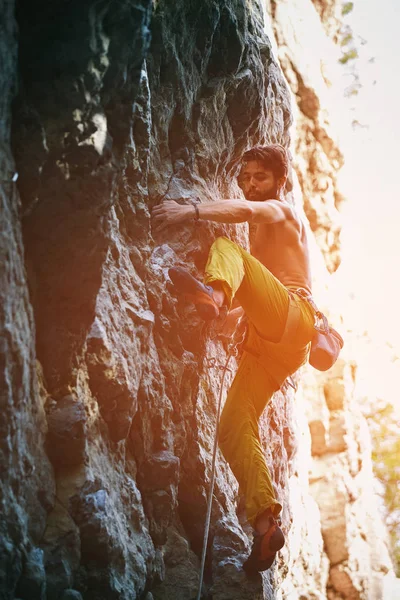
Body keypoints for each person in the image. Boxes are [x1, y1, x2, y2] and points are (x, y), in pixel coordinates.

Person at [151, 144, 316, 573]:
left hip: (295, 316)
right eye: (244, 178)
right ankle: (265, 523)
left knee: (227, 247)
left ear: (279, 181)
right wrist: (234, 317)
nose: (249, 185)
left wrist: (189, 211)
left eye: (258, 177)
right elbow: (261, 291)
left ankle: (213, 292)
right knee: (233, 426)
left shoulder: (283, 212)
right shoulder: (267, 241)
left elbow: (244, 212)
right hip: (278, 348)